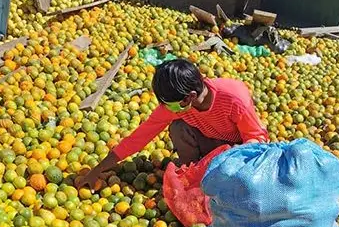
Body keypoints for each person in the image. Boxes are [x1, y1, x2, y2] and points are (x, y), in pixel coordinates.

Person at [75, 59, 269, 189]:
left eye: (169, 104)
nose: (165, 108)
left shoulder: (234, 99)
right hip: (208, 140)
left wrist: (233, 163)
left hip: (236, 148)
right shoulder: (175, 105)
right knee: (178, 128)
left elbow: (257, 138)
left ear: (189, 97)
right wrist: (97, 169)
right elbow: (138, 138)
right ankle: (191, 175)